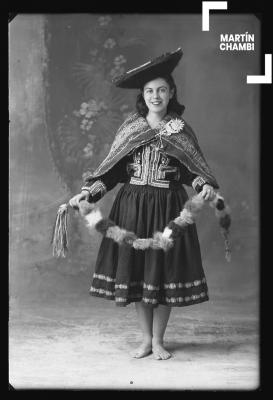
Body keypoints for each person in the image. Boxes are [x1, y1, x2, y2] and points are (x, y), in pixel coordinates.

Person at [69, 47, 219, 360]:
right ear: (143, 95)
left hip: (168, 208)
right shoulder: (130, 129)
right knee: (139, 274)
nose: (156, 96)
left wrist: (203, 186)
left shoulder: (182, 130)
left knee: (162, 276)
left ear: (171, 93)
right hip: (132, 208)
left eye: (162, 90)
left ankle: (160, 340)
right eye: (150, 91)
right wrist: (88, 193)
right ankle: (145, 340)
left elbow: (194, 172)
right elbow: (109, 174)